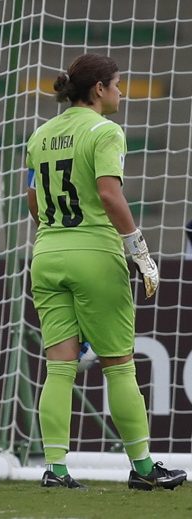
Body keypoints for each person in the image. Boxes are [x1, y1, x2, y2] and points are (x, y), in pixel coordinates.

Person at [25, 53, 186, 491]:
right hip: (95, 253)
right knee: (119, 365)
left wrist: (57, 234)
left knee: (59, 366)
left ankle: (56, 470)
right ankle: (143, 467)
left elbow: (34, 201)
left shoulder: (40, 134)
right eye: (115, 85)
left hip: (47, 254)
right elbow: (109, 195)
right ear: (98, 89)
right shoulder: (105, 131)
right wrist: (141, 252)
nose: (119, 92)